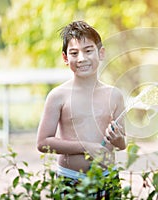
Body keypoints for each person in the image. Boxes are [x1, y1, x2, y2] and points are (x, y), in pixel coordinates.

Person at [36, 20, 126, 198]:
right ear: (65, 58)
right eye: (74, 53)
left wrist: (118, 139)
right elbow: (43, 143)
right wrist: (85, 146)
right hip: (70, 180)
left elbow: (122, 145)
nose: (82, 58)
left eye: (88, 51)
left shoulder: (114, 95)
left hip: (107, 179)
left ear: (101, 53)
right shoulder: (58, 96)